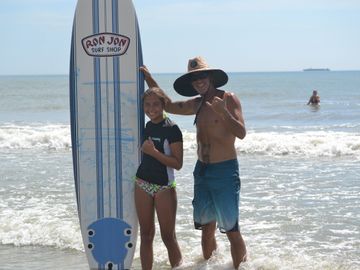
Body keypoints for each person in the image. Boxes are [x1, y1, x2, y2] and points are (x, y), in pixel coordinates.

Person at [141, 56, 247, 269]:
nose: (199, 80)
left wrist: (223, 113)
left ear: (210, 76)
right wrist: (148, 78)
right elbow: (168, 105)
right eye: (194, 78)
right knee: (207, 228)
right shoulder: (197, 104)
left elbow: (241, 133)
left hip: (225, 171)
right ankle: (209, 266)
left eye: (202, 75)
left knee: (232, 230)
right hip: (202, 172)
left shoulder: (228, 98)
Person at [135, 87, 183, 269]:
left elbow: (177, 163)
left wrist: (153, 152)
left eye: (156, 104)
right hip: (141, 184)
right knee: (146, 235)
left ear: (163, 104)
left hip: (164, 187)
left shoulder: (172, 129)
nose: (151, 108)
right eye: (147, 104)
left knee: (168, 237)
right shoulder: (147, 126)